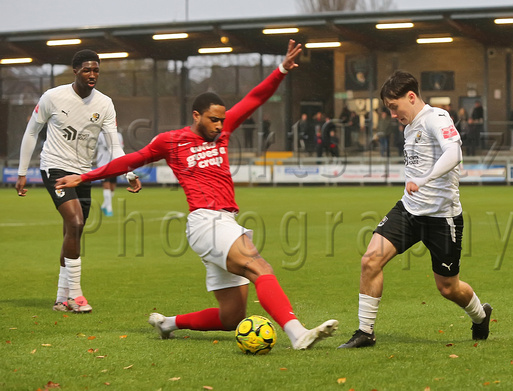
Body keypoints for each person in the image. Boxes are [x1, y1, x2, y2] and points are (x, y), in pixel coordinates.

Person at [55, 40, 338, 350]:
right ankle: (297, 334)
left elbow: (255, 98)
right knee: (261, 267)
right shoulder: (171, 142)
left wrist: (282, 69)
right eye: (213, 120)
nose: (219, 125)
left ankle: (168, 323)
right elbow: (130, 160)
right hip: (206, 221)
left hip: (224, 221)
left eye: (222, 120)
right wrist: (85, 175)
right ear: (196, 116)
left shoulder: (223, 130)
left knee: (232, 317)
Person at [338, 71, 492, 349]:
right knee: (370, 260)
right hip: (409, 211)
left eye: (394, 106)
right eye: (388, 109)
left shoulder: (437, 118)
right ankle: (365, 332)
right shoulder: (410, 125)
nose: (393, 114)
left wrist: (424, 179)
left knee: (448, 288)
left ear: (411, 97)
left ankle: (481, 316)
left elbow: (454, 153)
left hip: (442, 218)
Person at [15, 49, 140, 313]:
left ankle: (61, 299)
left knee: (74, 231)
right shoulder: (53, 97)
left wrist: (129, 173)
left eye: (96, 70)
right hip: (56, 169)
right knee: (75, 222)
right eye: (87, 70)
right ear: (75, 71)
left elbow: (114, 146)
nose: (92, 74)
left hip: (83, 174)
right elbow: (31, 132)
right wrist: (22, 172)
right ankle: (76, 295)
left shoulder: (104, 103)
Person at [96, 131, 124, 216]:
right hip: (103, 164)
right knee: (106, 185)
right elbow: (94, 148)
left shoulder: (118, 135)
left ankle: (104, 205)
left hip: (114, 163)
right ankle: (109, 208)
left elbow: (121, 148)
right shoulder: (99, 135)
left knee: (112, 186)